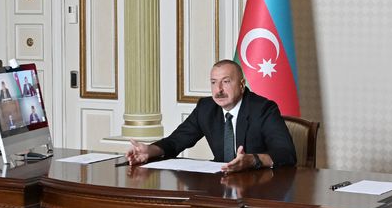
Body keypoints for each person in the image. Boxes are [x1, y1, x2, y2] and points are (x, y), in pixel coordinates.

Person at [126, 59, 296, 173]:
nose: (218, 90)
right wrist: (150, 150)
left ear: (242, 85)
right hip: (220, 184)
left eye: (226, 81)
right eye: (214, 82)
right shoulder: (206, 108)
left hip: (257, 187)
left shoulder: (263, 109)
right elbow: (176, 141)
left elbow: (286, 153)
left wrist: (252, 160)